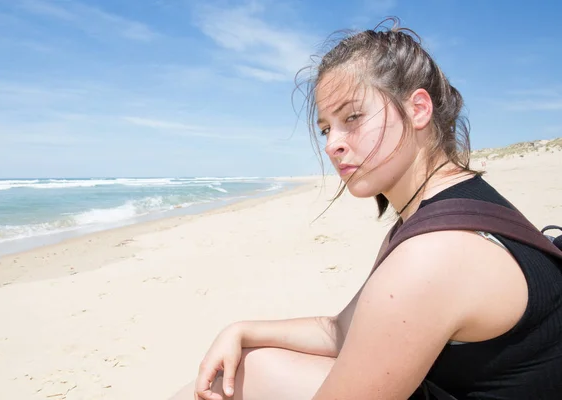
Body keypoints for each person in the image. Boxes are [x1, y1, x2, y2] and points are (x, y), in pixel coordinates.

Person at [170, 17, 562, 400]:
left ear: (418, 109)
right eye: (326, 128)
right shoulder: (449, 208)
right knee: (248, 366)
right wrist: (243, 329)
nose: (331, 144)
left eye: (352, 117)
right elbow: (341, 331)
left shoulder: (434, 255)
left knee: (247, 375)